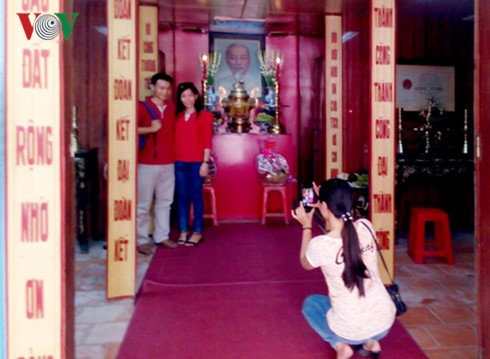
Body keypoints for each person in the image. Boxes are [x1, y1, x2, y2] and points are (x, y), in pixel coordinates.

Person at [291, 179, 396, 359]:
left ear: (324, 206)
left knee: (312, 304)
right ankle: (371, 341)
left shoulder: (320, 246)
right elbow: (344, 232)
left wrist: (306, 225)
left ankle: (340, 346)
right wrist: (326, 206)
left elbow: (304, 262)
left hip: (349, 330)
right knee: (356, 300)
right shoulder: (365, 226)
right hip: (384, 322)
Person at [137, 72, 178, 255]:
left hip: (168, 162)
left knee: (165, 201)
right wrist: (150, 129)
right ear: (152, 87)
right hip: (146, 163)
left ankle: (162, 235)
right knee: (143, 204)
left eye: (168, 88)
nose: (165, 91)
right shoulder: (142, 107)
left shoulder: (171, 107)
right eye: (161, 87)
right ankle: (141, 239)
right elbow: (128, 128)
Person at [174, 82, 214, 246]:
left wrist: (205, 162)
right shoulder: (176, 115)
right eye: (184, 96)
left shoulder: (204, 115)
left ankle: (197, 231)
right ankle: (183, 230)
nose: (187, 99)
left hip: (196, 162)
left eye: (190, 95)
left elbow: (207, 141)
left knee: (196, 196)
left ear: (196, 96)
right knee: (182, 197)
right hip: (178, 161)